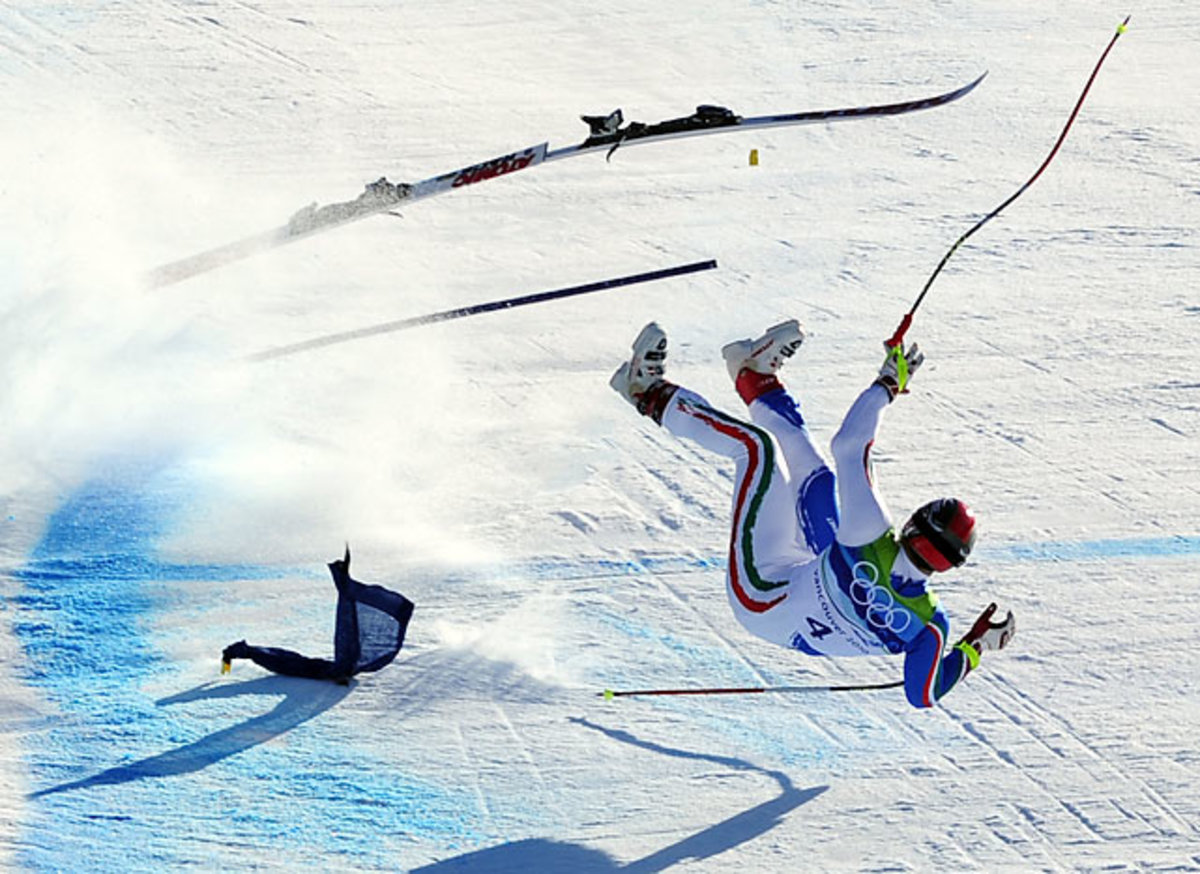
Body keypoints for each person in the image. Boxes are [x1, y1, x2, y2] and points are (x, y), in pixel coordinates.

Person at [609, 320, 1015, 708]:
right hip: (804, 591)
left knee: (757, 450)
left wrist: (889, 384)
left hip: (762, 592)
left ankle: (646, 391)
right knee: (818, 486)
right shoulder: (929, 625)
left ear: (913, 525)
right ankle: (754, 378)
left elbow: (851, 444)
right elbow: (921, 695)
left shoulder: (870, 534)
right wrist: (975, 647)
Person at [222, 548, 415, 685]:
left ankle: (342, 574)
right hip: (325, 664)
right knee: (297, 662)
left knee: (306, 661)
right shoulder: (343, 664)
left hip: (329, 663)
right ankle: (231, 661)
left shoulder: (345, 664)